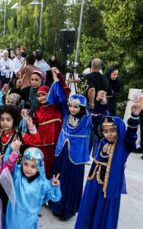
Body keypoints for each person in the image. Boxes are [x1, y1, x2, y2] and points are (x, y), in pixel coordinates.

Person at [75, 94, 141, 229]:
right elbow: (98, 120)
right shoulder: (103, 140)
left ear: (119, 130)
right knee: (89, 207)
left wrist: (134, 117)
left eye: (112, 130)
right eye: (105, 131)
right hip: (93, 182)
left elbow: (131, 136)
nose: (108, 134)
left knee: (103, 212)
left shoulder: (123, 146)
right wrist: (102, 102)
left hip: (109, 185)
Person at [47, 70, 96, 220]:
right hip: (62, 154)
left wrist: (98, 102)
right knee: (58, 177)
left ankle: (66, 209)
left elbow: (98, 116)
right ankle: (54, 203)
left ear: (82, 108)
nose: (73, 109)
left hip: (75, 158)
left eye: (76, 107)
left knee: (69, 182)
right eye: (71, 106)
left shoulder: (87, 120)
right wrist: (59, 77)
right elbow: (62, 96)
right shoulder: (66, 114)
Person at [4, 147, 62, 229]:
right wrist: (11, 148)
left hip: (29, 222)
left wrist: (54, 187)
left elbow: (55, 197)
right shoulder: (17, 174)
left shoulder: (43, 183)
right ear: (22, 162)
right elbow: (7, 163)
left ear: (39, 168)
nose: (28, 169)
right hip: (13, 218)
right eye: (26, 164)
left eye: (33, 166)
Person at [31, 69, 68, 179]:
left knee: (52, 174)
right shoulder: (37, 111)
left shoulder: (57, 108)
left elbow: (62, 92)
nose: (41, 98)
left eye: (44, 95)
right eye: (39, 96)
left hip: (55, 148)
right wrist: (29, 122)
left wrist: (59, 75)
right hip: (41, 149)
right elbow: (33, 130)